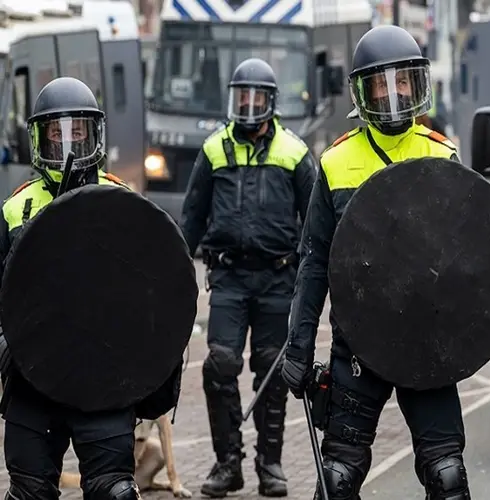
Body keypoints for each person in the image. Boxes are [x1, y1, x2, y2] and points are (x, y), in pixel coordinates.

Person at [281, 25, 467, 500]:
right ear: (362, 92)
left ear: (416, 84)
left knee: (446, 474)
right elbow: (314, 261)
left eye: (400, 80)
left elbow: (470, 255)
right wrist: (299, 345)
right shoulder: (336, 163)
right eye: (379, 84)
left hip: (428, 343)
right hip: (359, 344)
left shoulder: (442, 154)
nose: (391, 94)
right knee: (337, 479)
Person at [180, 57, 317, 498]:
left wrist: (313, 274)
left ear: (272, 102)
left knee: (273, 373)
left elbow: (316, 220)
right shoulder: (213, 149)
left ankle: (270, 465)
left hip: (279, 279)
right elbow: (192, 217)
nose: (249, 105)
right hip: (229, 278)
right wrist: (175, 270)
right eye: (243, 96)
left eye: (258, 97)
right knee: (219, 366)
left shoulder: (295, 153)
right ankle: (227, 463)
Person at [0, 77, 142, 499]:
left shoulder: (121, 202)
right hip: (33, 377)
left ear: (94, 134)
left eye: (76, 132)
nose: (66, 145)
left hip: (102, 377)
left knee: (114, 492)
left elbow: (152, 291)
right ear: (38, 139)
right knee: (28, 493)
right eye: (55, 134)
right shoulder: (15, 209)